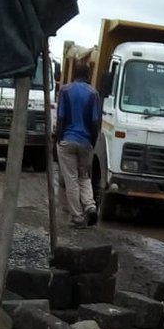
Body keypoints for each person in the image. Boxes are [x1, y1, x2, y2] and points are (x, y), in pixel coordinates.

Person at [55, 64, 101, 228]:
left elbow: (60, 117)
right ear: (88, 76)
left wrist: (58, 139)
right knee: (84, 176)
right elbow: (95, 122)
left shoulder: (65, 91)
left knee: (71, 179)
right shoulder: (93, 93)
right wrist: (92, 142)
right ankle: (90, 206)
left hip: (68, 140)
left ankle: (78, 217)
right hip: (86, 142)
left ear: (73, 75)